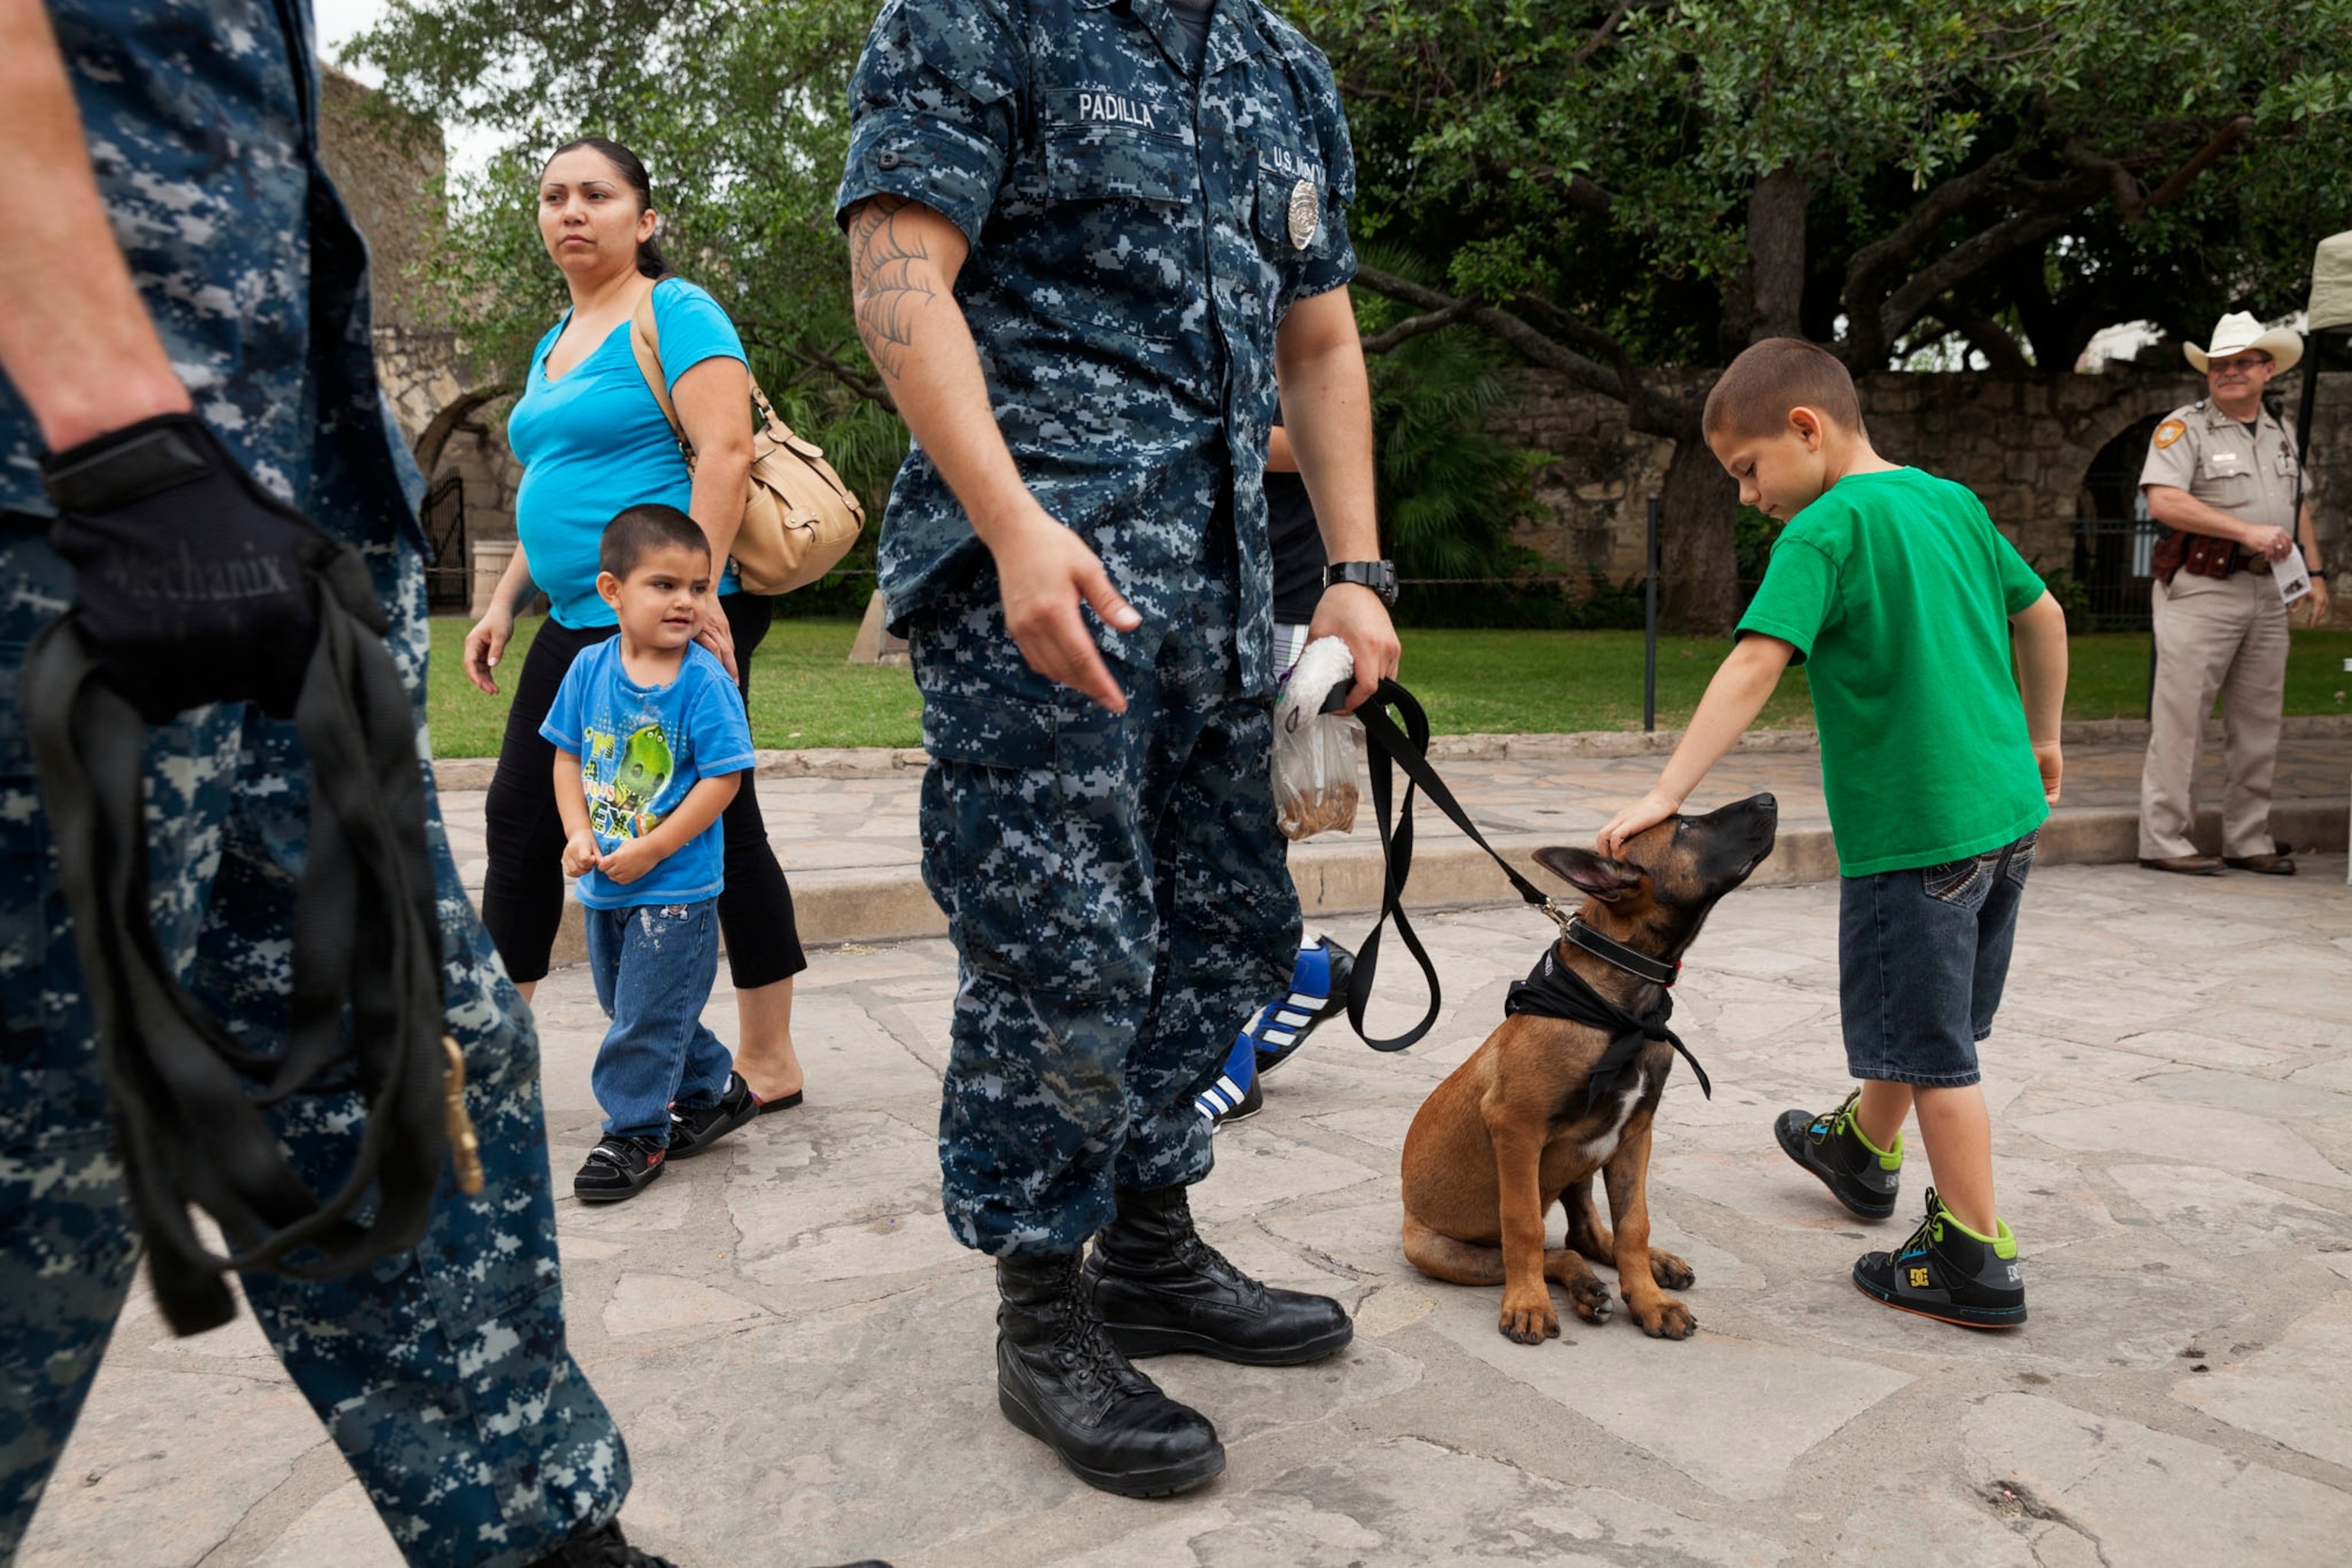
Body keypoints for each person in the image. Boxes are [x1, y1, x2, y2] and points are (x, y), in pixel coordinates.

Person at [0, 2, 658, 1562]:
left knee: (415, 1049)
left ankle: (537, 1540)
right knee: (40, 1121)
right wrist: (109, 423)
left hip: (268, 525)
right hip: (71, 507)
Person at [836, 0, 1402, 1498]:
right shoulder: (974, 19)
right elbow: (899, 282)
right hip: (1033, 597)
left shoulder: (1281, 62)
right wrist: (1015, 524)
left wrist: (1355, 566)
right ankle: (1041, 1309)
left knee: (1229, 933)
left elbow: (1322, 334)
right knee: (1063, 955)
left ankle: (1147, 1246)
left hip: (1221, 608)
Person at [1598, 338, 2068, 1331]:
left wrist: (1667, 795)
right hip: (2005, 824)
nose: (1746, 495)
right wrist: (2044, 736)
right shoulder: (1951, 502)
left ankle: (1975, 1258)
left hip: (1917, 839)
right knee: (1926, 1015)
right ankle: (1859, 1148)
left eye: (1747, 469)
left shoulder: (1826, 533)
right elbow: (2048, 616)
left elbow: (1754, 665)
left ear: (1804, 430)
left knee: (1936, 1050)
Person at [464, 136, 807, 1142]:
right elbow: (550, 487)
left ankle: (771, 1058)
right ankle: (497, 1051)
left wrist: (698, 600)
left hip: (674, 614)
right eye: (554, 196)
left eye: (598, 195)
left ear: (643, 219)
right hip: (577, 621)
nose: (572, 211)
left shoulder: (677, 310)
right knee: (520, 820)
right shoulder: (554, 340)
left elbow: (727, 448)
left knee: (718, 821)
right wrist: (501, 600)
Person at [545, 506, 757, 1201]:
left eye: (699, 588)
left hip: (677, 887)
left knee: (642, 1013)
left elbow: (725, 779)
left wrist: (657, 846)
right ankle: (713, 1090)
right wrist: (578, 833)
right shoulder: (588, 668)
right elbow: (568, 757)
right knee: (630, 1002)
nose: (686, 602)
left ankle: (636, 1131)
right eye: (664, 585)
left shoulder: (702, 683)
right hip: (608, 880)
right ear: (612, 590)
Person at [1196, 413, 1355, 1126]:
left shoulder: (1271, 307)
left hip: (1271, 604)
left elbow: (1327, 431)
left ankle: (1221, 1046)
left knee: (1225, 828)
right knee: (1199, 824)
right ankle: (1301, 964)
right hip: (1189, 595)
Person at [2135, 311, 2331, 877]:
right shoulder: (2183, 428)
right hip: (2204, 587)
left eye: (2243, 362)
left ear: (2268, 369)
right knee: (2181, 720)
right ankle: (2166, 840)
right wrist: (2245, 532)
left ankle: (2249, 837)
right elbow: (2164, 501)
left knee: (2259, 720)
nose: (2229, 373)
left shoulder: (2280, 430)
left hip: (2268, 591)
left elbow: (2299, 508)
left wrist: (2314, 575)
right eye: (2220, 365)